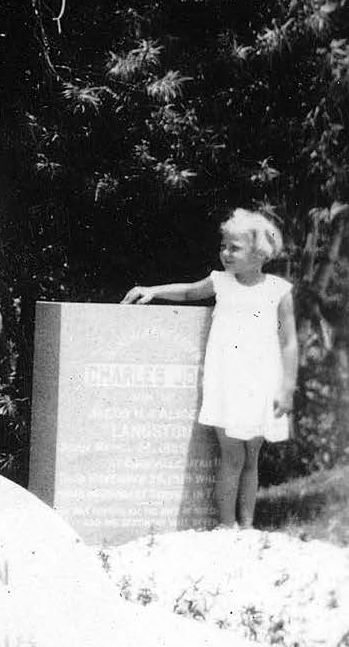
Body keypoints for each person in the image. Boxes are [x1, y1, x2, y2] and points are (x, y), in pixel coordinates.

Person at [123, 209, 297, 528]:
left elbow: (288, 342)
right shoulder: (221, 282)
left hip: (260, 382)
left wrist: (287, 387)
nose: (225, 253)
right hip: (227, 382)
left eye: (235, 248)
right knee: (232, 456)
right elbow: (189, 291)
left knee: (251, 457)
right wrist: (154, 291)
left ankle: (247, 527)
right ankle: (227, 525)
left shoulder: (278, 290)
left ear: (258, 254)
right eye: (224, 246)